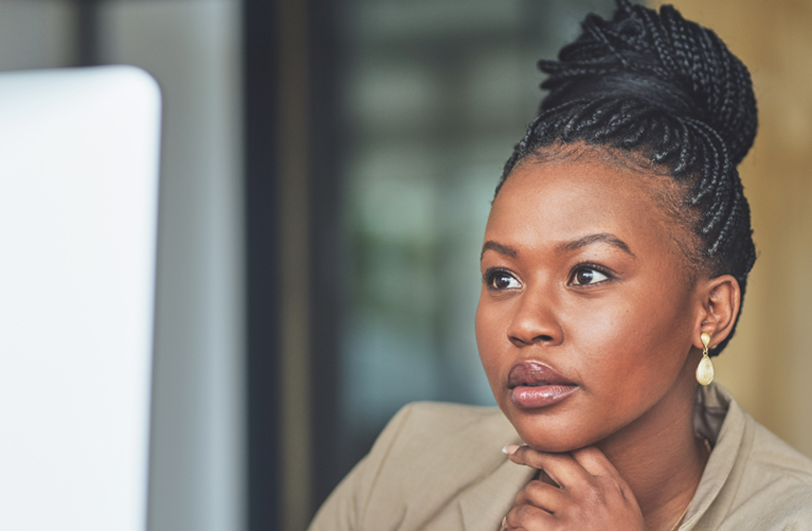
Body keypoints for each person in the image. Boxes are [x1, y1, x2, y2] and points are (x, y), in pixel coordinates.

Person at [308, 1, 812, 530]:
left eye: (588, 273)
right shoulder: (411, 463)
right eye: (502, 278)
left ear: (711, 311)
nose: (526, 324)